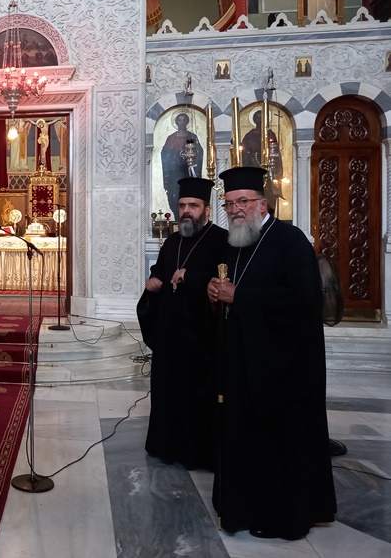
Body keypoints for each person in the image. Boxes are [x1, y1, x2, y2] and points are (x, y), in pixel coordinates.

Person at [206, 166, 336, 541]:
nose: (235, 210)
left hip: (285, 370)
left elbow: (303, 302)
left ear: (262, 204)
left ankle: (282, 516)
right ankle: (243, 507)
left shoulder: (290, 241)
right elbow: (230, 294)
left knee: (282, 444)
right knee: (244, 439)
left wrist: (239, 297)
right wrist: (215, 295)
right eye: (229, 203)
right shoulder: (235, 244)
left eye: (243, 201)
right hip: (243, 364)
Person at [140, 177, 228, 470]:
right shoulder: (173, 241)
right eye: (182, 206)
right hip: (170, 333)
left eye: (193, 205)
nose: (186, 211)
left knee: (196, 393)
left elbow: (225, 282)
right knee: (167, 390)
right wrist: (154, 280)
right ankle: (165, 446)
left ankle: (195, 453)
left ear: (206, 210)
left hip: (200, 335)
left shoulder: (221, 240)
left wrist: (191, 277)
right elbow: (161, 270)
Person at [161, 111, 204, 219]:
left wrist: (192, 156)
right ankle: (177, 217)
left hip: (188, 172)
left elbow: (199, 152)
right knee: (174, 196)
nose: (182, 122)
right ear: (176, 122)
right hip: (174, 173)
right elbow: (165, 155)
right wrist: (175, 156)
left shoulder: (192, 136)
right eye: (179, 120)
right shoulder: (171, 138)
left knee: (189, 195)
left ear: (187, 122)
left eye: (184, 120)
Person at [241, 108, 284, 211]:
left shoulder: (271, 134)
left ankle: (269, 214)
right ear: (254, 120)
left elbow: (275, 152)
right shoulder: (249, 136)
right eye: (257, 118)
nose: (260, 121)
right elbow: (244, 153)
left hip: (270, 170)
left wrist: (276, 170)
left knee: (269, 196)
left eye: (262, 118)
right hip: (253, 169)